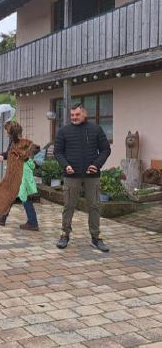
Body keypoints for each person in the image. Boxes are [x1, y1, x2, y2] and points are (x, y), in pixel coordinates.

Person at [54, 103, 111, 252]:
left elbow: (105, 150)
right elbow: (58, 152)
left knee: (94, 206)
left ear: (84, 114)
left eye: (77, 115)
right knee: (69, 206)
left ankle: (96, 238)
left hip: (92, 175)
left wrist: (96, 165)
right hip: (71, 175)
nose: (74, 117)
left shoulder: (96, 129)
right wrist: (65, 165)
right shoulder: (63, 131)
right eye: (72, 115)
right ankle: (64, 234)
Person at [0, 121, 23, 226]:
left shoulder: (17, 142)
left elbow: (12, 154)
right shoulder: (14, 140)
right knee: (12, 195)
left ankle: (33, 221)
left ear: (10, 131)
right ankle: (2, 218)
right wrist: (3, 155)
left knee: (14, 195)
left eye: (6, 130)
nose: (5, 132)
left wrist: (3, 156)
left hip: (15, 173)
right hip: (15, 171)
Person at [17, 144, 41, 231]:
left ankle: (33, 223)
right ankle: (32, 222)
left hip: (25, 188)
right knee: (27, 203)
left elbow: (25, 179)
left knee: (27, 203)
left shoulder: (25, 163)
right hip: (26, 188)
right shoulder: (29, 162)